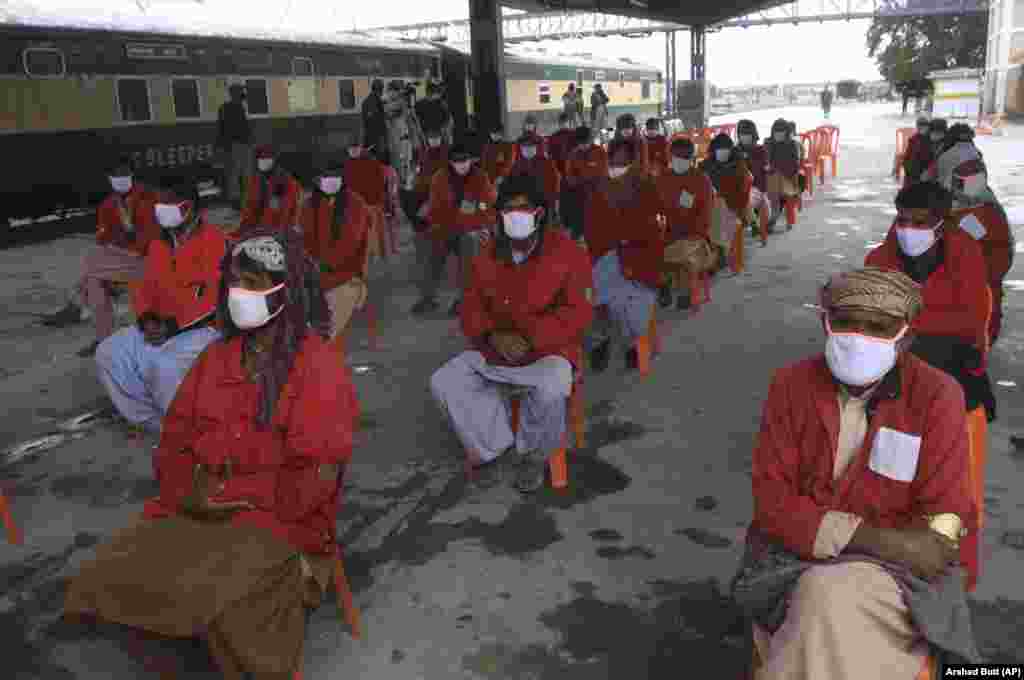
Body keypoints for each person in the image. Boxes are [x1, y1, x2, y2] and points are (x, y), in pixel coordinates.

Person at [65, 228, 360, 680]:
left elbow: (315, 475)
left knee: (226, 607)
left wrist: (241, 500)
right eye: (236, 281)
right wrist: (191, 494)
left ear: (288, 293)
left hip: (277, 515)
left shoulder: (317, 364)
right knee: (107, 574)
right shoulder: (216, 357)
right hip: (199, 502)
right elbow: (175, 442)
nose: (240, 293)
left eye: (256, 284)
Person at [732, 266, 980, 680]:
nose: (859, 337)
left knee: (824, 602)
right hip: (791, 559)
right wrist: (882, 540)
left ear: (906, 338)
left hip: (897, 579)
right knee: (822, 600)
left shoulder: (937, 395)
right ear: (826, 324)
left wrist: (921, 544)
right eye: (846, 322)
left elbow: (944, 517)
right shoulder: (791, 386)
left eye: (879, 327)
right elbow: (773, 505)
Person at [430, 172, 593, 493]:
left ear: (540, 213)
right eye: (508, 210)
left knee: (551, 387)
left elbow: (578, 313)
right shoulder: (485, 255)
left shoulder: (568, 253)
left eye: (523, 209)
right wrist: (493, 335)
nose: (514, 216)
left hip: (549, 351)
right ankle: (495, 450)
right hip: (496, 349)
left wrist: (532, 336)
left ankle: (533, 455)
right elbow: (470, 309)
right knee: (445, 381)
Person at [95, 178, 225, 433]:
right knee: (108, 352)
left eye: (168, 204)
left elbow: (213, 299)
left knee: (162, 365)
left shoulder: (215, 241)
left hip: (201, 329)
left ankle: (184, 427)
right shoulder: (158, 244)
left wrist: (172, 326)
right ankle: (155, 422)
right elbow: (142, 286)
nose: (161, 209)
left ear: (188, 208)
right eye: (160, 204)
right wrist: (146, 320)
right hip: (158, 324)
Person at [865, 181, 996, 428]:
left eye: (919, 222)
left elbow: (969, 322)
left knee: (918, 378)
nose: (907, 229)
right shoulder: (880, 257)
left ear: (940, 226)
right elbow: (872, 312)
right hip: (896, 347)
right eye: (902, 221)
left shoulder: (966, 253)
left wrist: (909, 325)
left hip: (952, 351)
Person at [42, 158, 160, 356]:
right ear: (109, 178)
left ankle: (76, 305)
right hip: (124, 261)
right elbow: (104, 238)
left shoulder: (149, 197)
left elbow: (149, 238)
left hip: (149, 259)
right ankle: (105, 341)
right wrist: (118, 245)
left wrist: (120, 242)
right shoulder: (107, 205)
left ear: (132, 174)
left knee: (92, 262)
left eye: (125, 173)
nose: (121, 178)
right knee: (94, 280)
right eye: (116, 174)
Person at [584, 139, 665, 372]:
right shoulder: (599, 186)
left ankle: (630, 343)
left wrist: (626, 239)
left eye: (623, 161)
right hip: (606, 255)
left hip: (640, 258)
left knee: (627, 299)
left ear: (633, 161)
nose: (617, 165)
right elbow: (591, 228)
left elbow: (653, 227)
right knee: (591, 295)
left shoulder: (645, 185)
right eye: (613, 160)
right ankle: (603, 340)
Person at [411, 140, 497, 316]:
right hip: (446, 227)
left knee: (469, 252)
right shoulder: (440, 178)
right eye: (458, 162)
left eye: (465, 161)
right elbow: (435, 208)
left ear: (471, 160)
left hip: (472, 229)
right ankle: (428, 298)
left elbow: (486, 207)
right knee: (432, 252)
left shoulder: (480, 178)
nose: (462, 165)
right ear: (451, 162)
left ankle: (465, 301)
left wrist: (474, 221)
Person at [301, 160, 372, 351]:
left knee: (330, 324)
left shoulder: (355, 204)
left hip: (346, 272)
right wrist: (309, 261)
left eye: (335, 177)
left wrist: (324, 264)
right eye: (325, 177)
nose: (330, 181)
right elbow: (305, 238)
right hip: (317, 270)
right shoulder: (310, 204)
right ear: (317, 180)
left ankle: (322, 348)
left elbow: (351, 243)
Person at [948, 159, 1014, 344]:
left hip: (986, 269)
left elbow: (982, 239)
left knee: (986, 307)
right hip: (990, 267)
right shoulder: (983, 203)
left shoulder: (977, 215)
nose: (955, 188)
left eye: (959, 184)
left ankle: (983, 343)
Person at [655, 137, 716, 310]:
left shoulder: (701, 180)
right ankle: (665, 284)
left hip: (694, 235)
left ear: (691, 159)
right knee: (648, 248)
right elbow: (655, 204)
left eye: (683, 159)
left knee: (681, 252)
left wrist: (688, 231)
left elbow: (705, 217)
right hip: (667, 231)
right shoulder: (664, 176)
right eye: (675, 158)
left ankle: (677, 288)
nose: (678, 162)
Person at [700, 133, 753, 269]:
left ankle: (720, 251)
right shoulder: (706, 165)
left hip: (734, 206)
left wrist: (721, 196)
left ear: (731, 150)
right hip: (710, 207)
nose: (722, 152)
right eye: (719, 149)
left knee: (719, 212)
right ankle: (715, 251)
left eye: (725, 149)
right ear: (713, 150)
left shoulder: (739, 165)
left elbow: (742, 193)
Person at [342, 134, 392, 261]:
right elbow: (346, 185)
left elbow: (380, 182)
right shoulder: (348, 164)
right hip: (355, 206)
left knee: (373, 233)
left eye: (355, 148)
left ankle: (376, 256)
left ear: (360, 148)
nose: (353, 151)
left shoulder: (372, 162)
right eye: (350, 149)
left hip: (371, 204)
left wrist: (378, 200)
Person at [238, 145, 302, 233]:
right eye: (260, 159)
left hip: (279, 232)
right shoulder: (255, 181)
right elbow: (250, 209)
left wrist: (278, 232)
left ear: (274, 161)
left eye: (266, 158)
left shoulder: (286, 181)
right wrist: (243, 229)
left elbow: (286, 211)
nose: (263, 162)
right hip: (258, 232)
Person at [561, 126, 609, 241]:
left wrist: (595, 183)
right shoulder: (573, 154)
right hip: (579, 195)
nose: (583, 146)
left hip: (597, 194)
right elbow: (569, 176)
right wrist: (578, 182)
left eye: (585, 143)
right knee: (578, 224)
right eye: (580, 144)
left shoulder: (600, 152)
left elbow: (604, 172)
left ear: (590, 140)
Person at [216, 84, 252, 209]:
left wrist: (220, 146)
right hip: (239, 145)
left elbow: (220, 129)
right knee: (241, 173)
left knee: (234, 174)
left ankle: (237, 200)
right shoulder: (236, 108)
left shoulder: (225, 108)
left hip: (233, 145)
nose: (243, 95)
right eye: (241, 93)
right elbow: (243, 129)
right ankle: (242, 200)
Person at [509, 131, 561, 217]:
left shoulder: (547, 163)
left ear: (537, 147)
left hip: (544, 206)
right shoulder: (516, 165)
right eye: (524, 146)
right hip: (522, 207)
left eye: (531, 146)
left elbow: (555, 184)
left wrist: (555, 204)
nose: (527, 149)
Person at [736, 119, 772, 239]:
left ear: (753, 135)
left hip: (757, 188)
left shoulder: (761, 150)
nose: (744, 137)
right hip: (738, 188)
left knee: (746, 200)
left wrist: (748, 159)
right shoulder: (735, 151)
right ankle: (752, 223)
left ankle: (754, 224)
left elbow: (761, 172)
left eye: (747, 134)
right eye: (741, 135)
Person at [764, 118, 801, 231]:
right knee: (772, 181)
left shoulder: (792, 145)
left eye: (781, 132)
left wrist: (777, 169)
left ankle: (773, 217)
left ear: (786, 133)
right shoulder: (768, 143)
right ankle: (773, 215)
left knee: (777, 182)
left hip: (788, 180)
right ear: (772, 132)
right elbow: (765, 162)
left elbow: (794, 166)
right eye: (776, 132)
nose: (778, 135)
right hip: (771, 180)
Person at [931, 123, 982, 190]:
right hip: (976, 192)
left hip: (951, 195)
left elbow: (939, 181)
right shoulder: (977, 154)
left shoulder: (945, 156)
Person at [361, 79, 390, 165]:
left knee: (369, 163)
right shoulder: (378, 102)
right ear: (380, 89)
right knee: (378, 164)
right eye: (382, 90)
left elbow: (366, 121)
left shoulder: (365, 102)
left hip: (368, 139)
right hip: (377, 140)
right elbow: (379, 122)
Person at [481, 124, 519, 189]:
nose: (494, 135)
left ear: (501, 134)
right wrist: (484, 175)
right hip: (489, 179)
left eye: (497, 133)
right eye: (493, 133)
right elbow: (484, 162)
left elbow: (509, 163)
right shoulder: (487, 146)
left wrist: (502, 176)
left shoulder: (508, 146)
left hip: (503, 180)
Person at [415, 81, 452, 145]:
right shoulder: (440, 103)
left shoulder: (419, 104)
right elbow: (447, 118)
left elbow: (416, 119)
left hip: (430, 133)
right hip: (433, 133)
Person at [901, 116, 933, 187]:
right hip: (912, 173)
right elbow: (907, 156)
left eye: (924, 125)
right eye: (919, 125)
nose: (921, 128)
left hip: (924, 172)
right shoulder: (913, 139)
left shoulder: (931, 140)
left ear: (928, 127)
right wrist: (907, 168)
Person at [546, 112, 577, 178]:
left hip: (569, 166)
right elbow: (550, 154)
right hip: (561, 166)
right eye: (562, 123)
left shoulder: (574, 135)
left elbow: (549, 154)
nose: (564, 125)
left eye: (564, 122)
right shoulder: (553, 137)